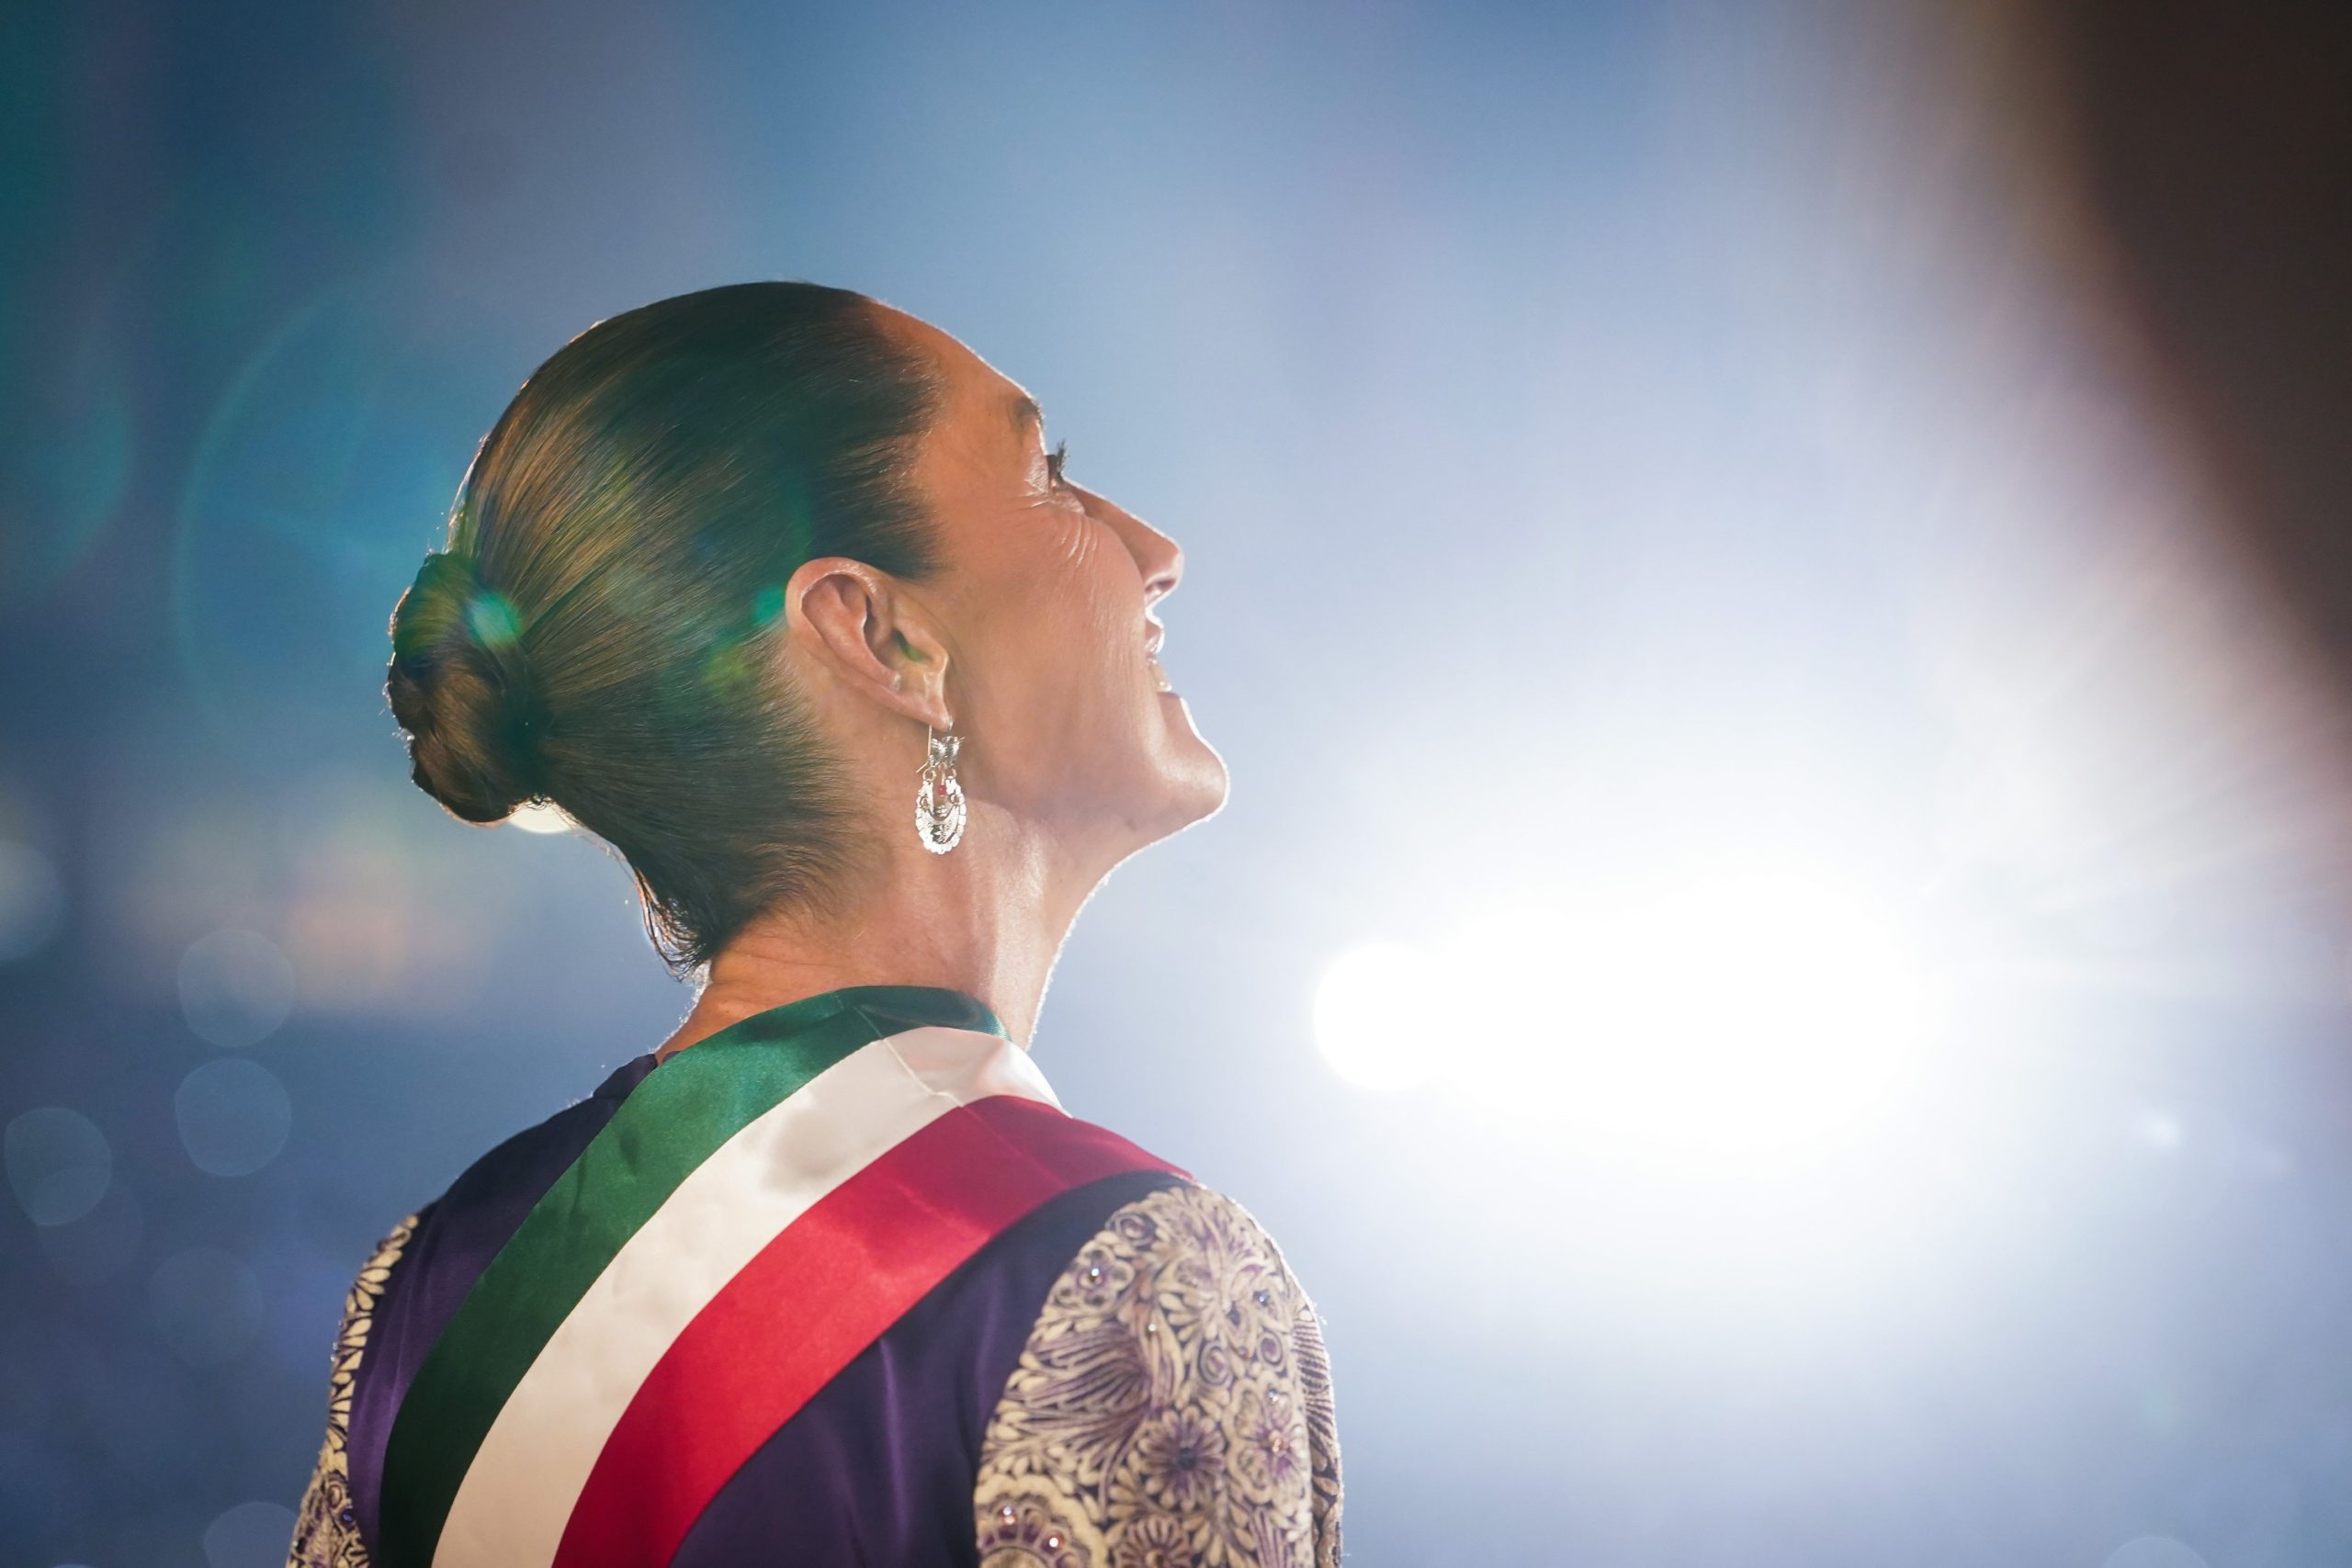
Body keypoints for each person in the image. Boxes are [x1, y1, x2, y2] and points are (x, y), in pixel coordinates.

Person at [285, 282, 1343, 1568]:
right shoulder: (1133, 1277)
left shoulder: (427, 1294)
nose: (1153, 544)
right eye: (1051, 479)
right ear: (882, 636)